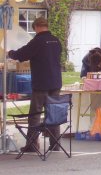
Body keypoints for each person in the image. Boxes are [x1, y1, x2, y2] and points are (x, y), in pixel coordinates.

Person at [8, 17, 62, 152]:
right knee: (53, 112)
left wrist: (10, 53)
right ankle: (55, 143)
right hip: (55, 82)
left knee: (35, 114)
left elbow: (22, 54)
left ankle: (32, 144)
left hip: (41, 83)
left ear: (36, 27)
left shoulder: (37, 41)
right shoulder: (56, 41)